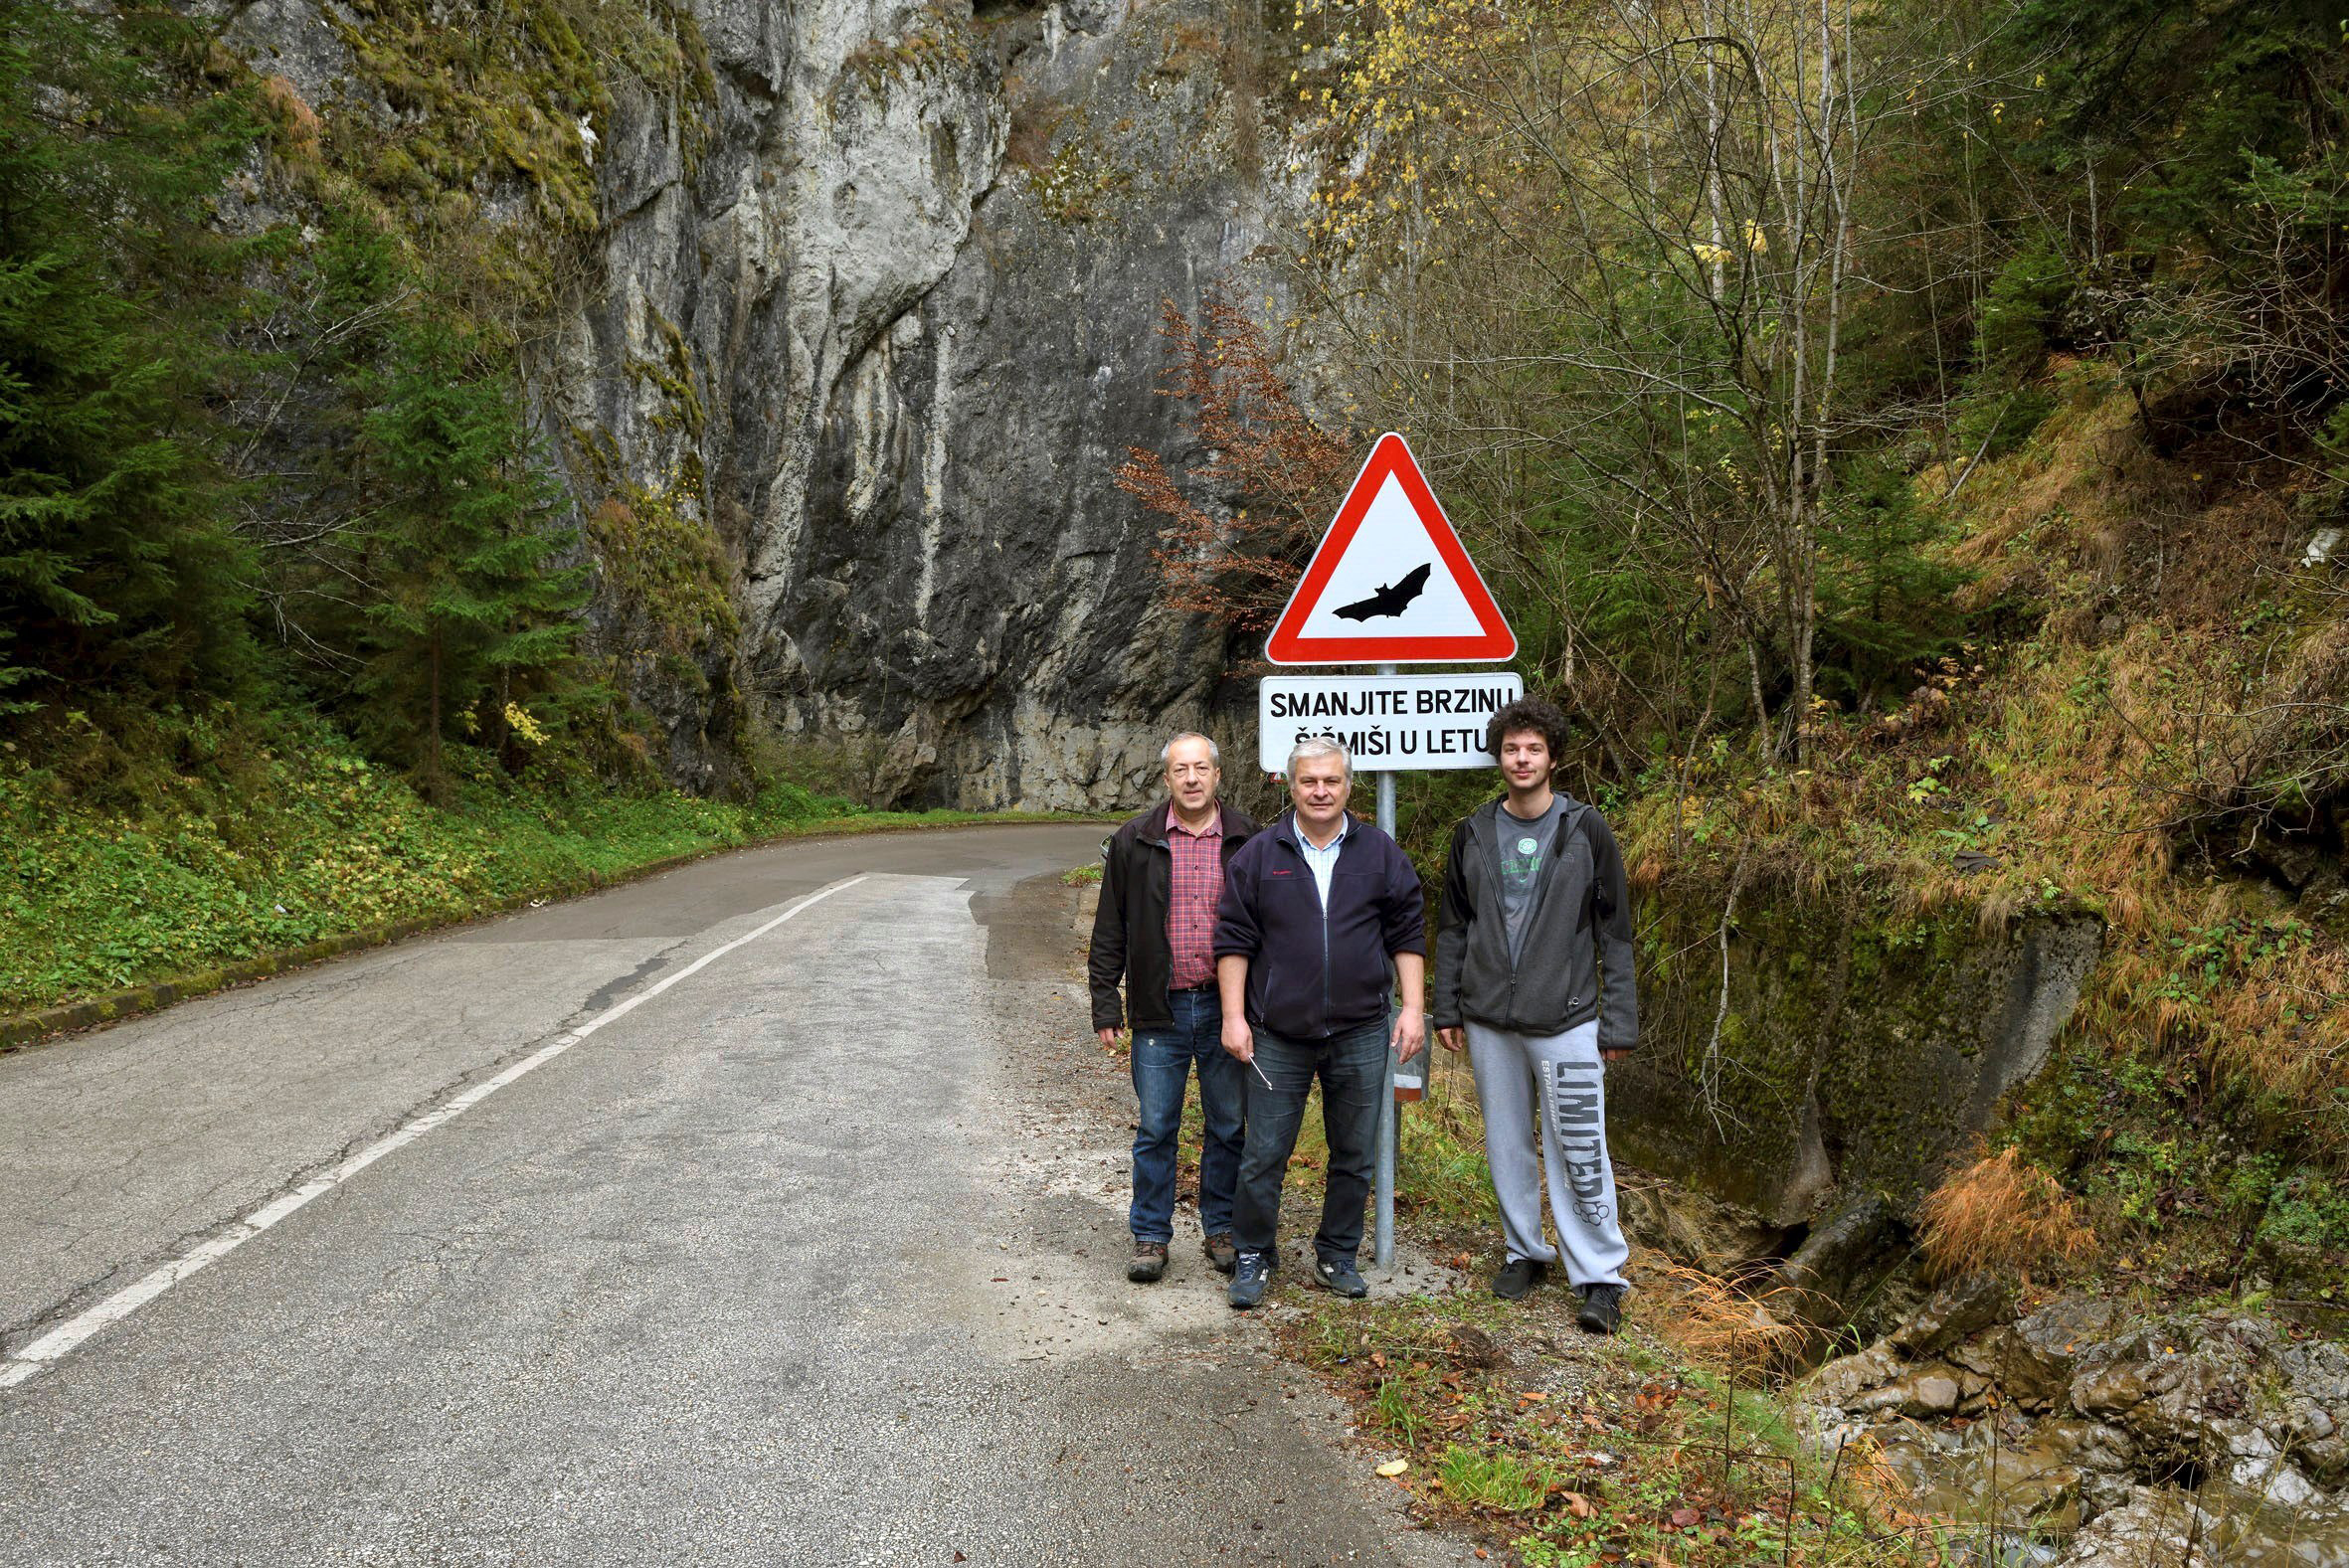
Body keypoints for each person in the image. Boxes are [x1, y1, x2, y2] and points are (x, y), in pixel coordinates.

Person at [1430, 696, 1638, 1333]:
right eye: (1512, 749)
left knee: (1579, 1146)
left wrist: (1619, 1022)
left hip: (1567, 1019)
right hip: (1489, 1018)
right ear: (1499, 757)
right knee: (1507, 1145)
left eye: (1533, 749)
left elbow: (1616, 932)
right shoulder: (1473, 832)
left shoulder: (1585, 830)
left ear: (1552, 758)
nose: (1522, 759)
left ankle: (1600, 1276)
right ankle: (1526, 1251)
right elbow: (1452, 927)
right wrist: (1447, 1006)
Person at [1213, 737, 1426, 1309]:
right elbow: (1233, 939)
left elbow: (1407, 932)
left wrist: (1411, 1008)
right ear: (1291, 785)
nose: (1321, 791)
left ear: (1349, 786)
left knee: (1355, 1153)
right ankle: (1255, 1253)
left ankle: (1337, 1253)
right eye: (1309, 781)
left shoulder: (1380, 853)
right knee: (1263, 1154)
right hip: (1277, 1033)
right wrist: (1233, 1017)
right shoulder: (1259, 854)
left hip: (1360, 1030)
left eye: (1332, 780)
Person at [1090, 733, 1262, 1283]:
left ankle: (1222, 1227)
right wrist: (1104, 1003)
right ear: (1166, 779)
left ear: (1217, 775)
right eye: (1180, 770)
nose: (1191, 778)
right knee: (1157, 1127)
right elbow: (1110, 927)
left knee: (1228, 1125)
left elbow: (1272, 925)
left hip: (1227, 1008)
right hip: (1158, 1011)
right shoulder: (1134, 840)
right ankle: (1150, 1235)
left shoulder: (1247, 839)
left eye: (1201, 768)